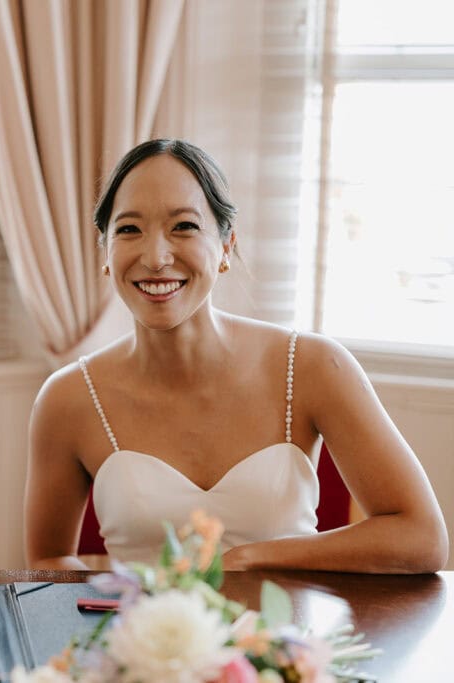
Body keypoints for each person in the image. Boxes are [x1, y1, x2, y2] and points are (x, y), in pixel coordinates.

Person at [25, 138, 448, 573]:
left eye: (184, 226)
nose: (155, 257)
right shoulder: (67, 398)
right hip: (147, 638)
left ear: (226, 245)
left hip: (287, 638)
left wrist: (249, 559)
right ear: (106, 253)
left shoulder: (312, 366)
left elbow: (422, 536)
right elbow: (47, 560)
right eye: (129, 229)